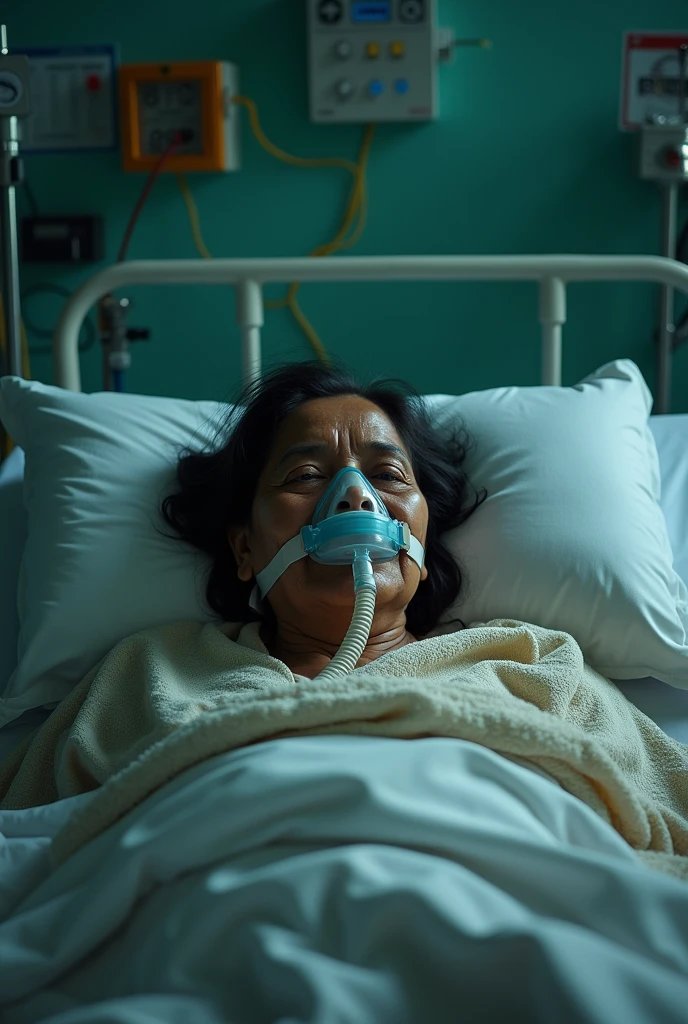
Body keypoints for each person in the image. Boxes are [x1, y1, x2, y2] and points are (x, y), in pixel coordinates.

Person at [162, 362, 485, 679]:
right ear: (245, 548)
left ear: (424, 542)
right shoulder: (164, 672)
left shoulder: (511, 659)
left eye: (387, 474)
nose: (357, 497)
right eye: (306, 475)